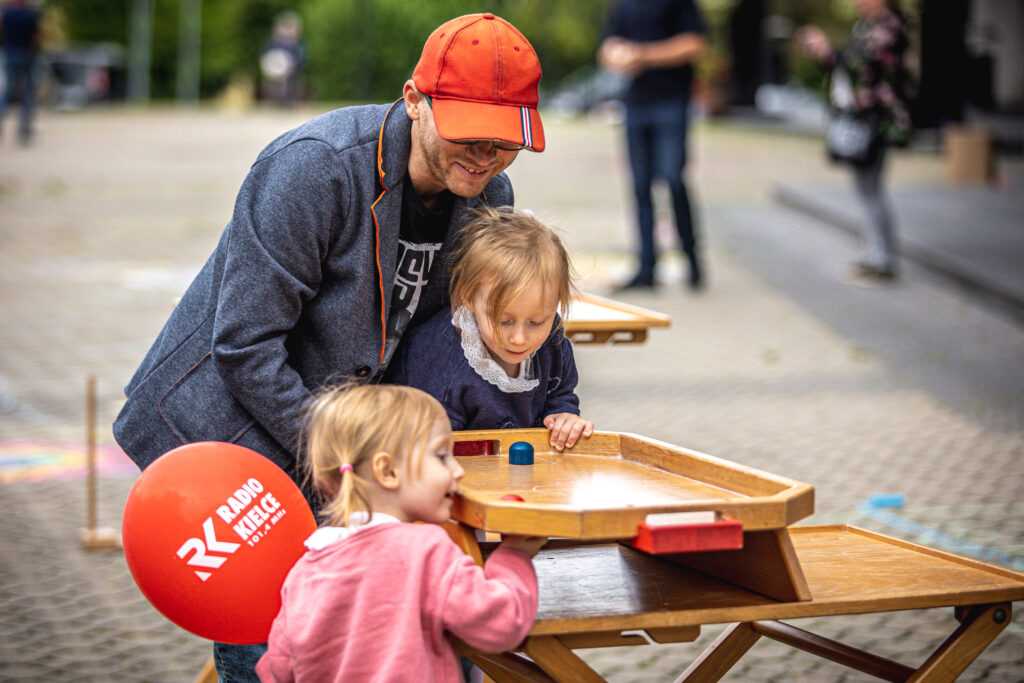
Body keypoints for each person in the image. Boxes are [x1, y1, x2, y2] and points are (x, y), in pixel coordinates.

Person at [111, 13, 545, 681]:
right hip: (235, 429)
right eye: (468, 134)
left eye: (503, 141)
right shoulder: (312, 169)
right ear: (413, 99)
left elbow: (450, 336)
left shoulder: (492, 195)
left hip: (350, 452)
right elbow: (245, 346)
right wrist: (360, 457)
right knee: (266, 640)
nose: (485, 158)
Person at [256, 383, 546, 682]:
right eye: (442, 456)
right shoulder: (423, 550)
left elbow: (276, 669)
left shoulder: (305, 571)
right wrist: (513, 555)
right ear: (388, 471)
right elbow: (499, 624)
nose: (458, 471)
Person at [392, 205, 593, 452]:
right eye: (504, 321)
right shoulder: (445, 368)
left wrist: (564, 417)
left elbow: (560, 394)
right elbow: (430, 453)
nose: (519, 339)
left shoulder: (553, 345)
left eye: (536, 322)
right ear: (468, 296)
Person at [796, 0, 912, 281]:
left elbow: (859, 65)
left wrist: (826, 50)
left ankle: (884, 260)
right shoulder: (867, 27)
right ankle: (877, 255)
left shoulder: (890, 29)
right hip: (861, 120)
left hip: (876, 123)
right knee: (866, 189)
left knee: (871, 189)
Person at [598, 0, 707, 291]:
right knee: (640, 186)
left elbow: (694, 43)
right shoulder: (624, 4)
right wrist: (614, 56)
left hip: (672, 102)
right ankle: (647, 268)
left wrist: (641, 55)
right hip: (635, 104)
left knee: (672, 179)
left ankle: (692, 260)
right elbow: (607, 46)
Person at [0, 0, 43, 145]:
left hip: (10, 53)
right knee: (28, 93)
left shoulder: (6, 13)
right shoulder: (31, 14)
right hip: (27, 54)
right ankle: (24, 129)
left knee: (7, 92)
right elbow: (37, 35)